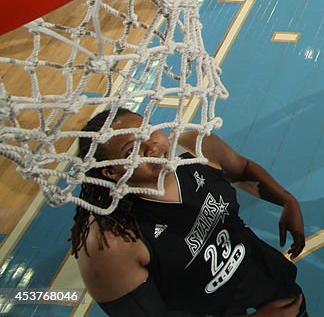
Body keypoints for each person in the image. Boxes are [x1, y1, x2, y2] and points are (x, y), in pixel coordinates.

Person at [70, 108, 308, 316]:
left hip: (264, 277)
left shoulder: (192, 147)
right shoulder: (111, 242)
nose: (152, 146)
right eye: (132, 150)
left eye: (149, 131)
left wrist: (286, 199)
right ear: (110, 172)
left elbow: (241, 169)